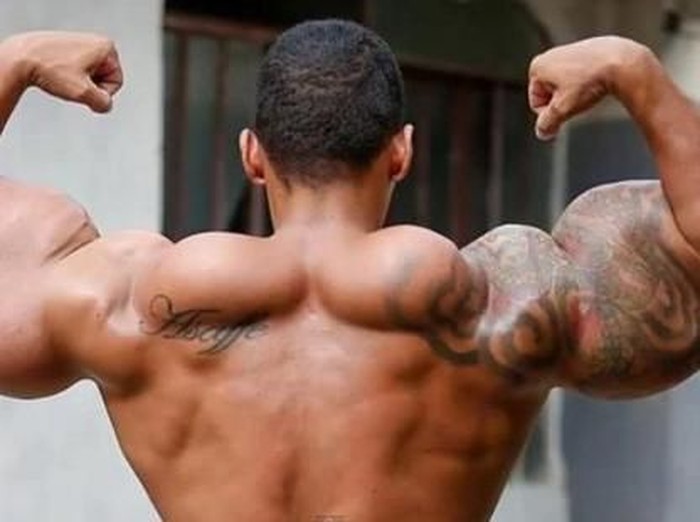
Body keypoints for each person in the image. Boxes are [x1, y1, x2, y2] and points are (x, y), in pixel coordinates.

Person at [0, 20, 699, 522]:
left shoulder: (125, 305)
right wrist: (634, 71)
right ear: (402, 152)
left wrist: (16, 60)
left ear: (252, 155)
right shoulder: (511, 300)